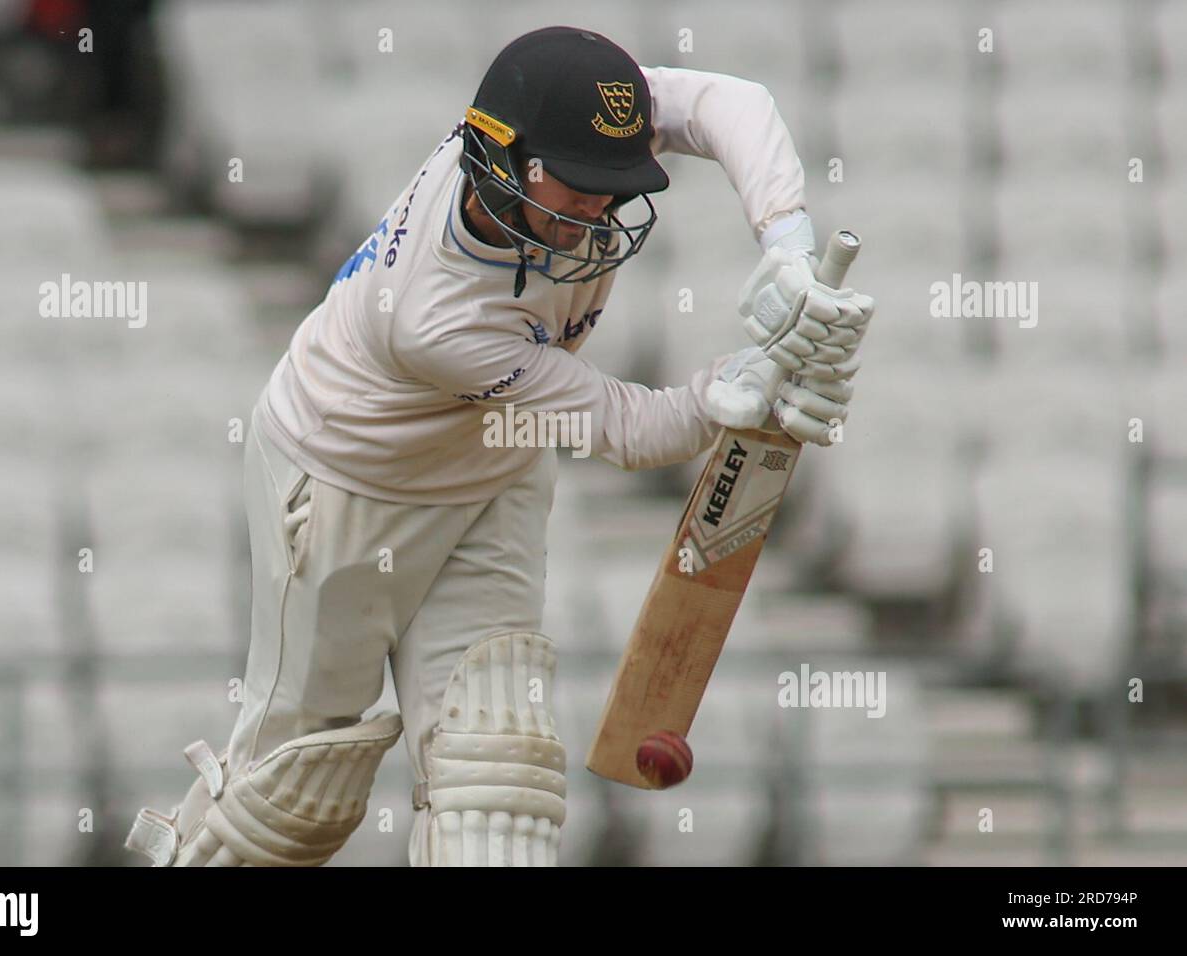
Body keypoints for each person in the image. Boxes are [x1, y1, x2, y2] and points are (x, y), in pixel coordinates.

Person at [126, 25, 874, 868]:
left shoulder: (554, 129)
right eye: (583, 186)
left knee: (497, 785)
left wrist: (786, 247)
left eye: (614, 187)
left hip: (496, 474)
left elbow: (732, 103)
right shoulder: (435, 316)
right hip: (344, 485)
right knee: (295, 795)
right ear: (500, 160)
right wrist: (735, 389)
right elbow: (629, 428)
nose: (600, 210)